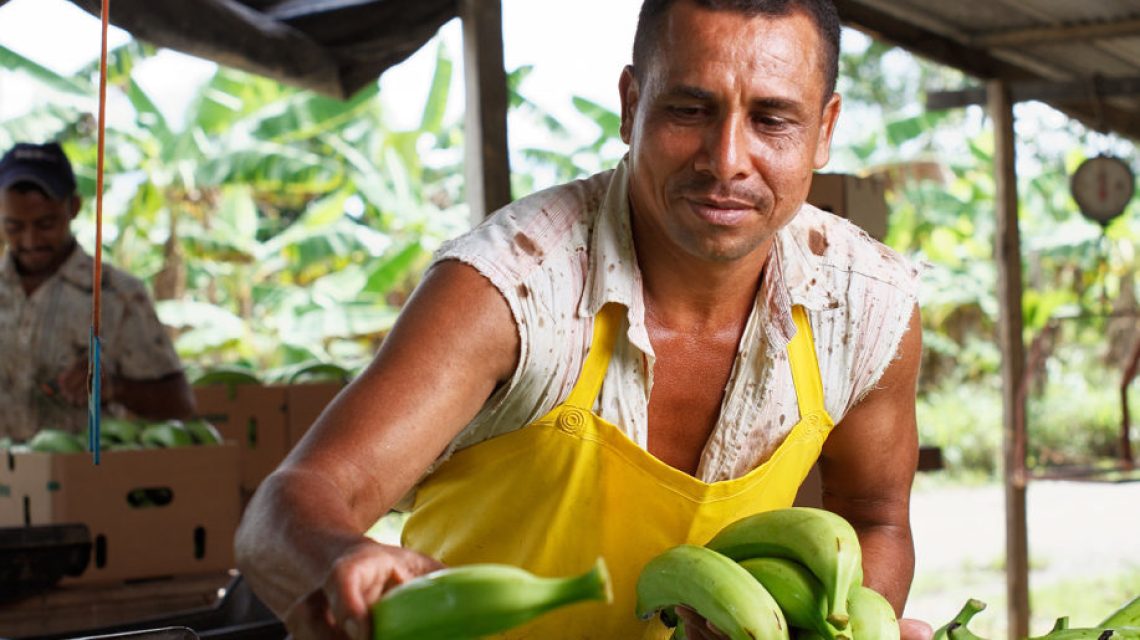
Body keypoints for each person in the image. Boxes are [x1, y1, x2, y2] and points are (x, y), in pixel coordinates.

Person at [235, 0, 932, 638]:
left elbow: (873, 519)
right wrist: (338, 557)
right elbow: (288, 506)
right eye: (689, 110)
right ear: (631, 105)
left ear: (824, 131)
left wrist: (838, 625)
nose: (726, 161)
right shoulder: (511, 288)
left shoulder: (864, 305)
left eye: (772, 120)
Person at [0, 141, 196, 441]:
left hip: (81, 481)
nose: (30, 240)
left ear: (74, 207)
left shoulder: (118, 295)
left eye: (46, 224)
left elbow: (180, 403)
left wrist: (114, 387)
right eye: (14, 226)